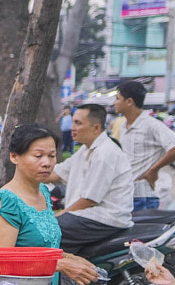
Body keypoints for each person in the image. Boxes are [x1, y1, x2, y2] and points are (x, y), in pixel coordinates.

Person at [0, 125, 100, 285]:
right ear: (14, 157)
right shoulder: (5, 202)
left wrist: (70, 258)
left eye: (52, 156)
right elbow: (1, 261)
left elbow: (38, 245)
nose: (47, 163)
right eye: (38, 155)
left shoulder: (43, 191)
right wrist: (60, 264)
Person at [51, 104, 134, 249]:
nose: (72, 128)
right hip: (87, 215)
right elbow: (57, 172)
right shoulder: (85, 150)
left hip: (103, 217)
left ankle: (70, 270)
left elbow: (89, 200)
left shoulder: (105, 153)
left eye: (78, 123)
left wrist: (60, 214)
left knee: (44, 232)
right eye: (73, 122)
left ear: (96, 128)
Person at [114, 80, 175, 211]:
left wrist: (153, 170)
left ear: (129, 101)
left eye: (117, 98)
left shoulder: (151, 124)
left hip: (144, 197)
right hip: (126, 193)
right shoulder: (123, 127)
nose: (114, 103)